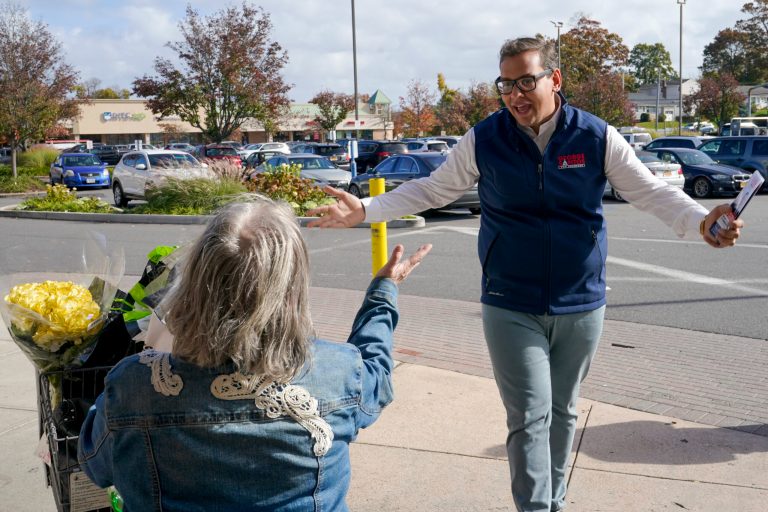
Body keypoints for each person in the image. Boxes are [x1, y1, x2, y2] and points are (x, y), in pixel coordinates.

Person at [307, 37, 744, 512]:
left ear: (553, 80)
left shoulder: (594, 136)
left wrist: (701, 220)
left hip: (581, 302)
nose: (515, 94)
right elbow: (433, 189)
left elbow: (650, 191)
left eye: (525, 81)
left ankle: (553, 500)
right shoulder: (485, 138)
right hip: (510, 301)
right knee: (529, 415)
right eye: (506, 85)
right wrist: (367, 210)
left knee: (563, 411)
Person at [77, 196, 432, 511]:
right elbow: (377, 370)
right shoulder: (339, 375)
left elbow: (94, 464)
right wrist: (383, 293)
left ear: (196, 285)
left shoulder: (134, 387)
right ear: (292, 291)